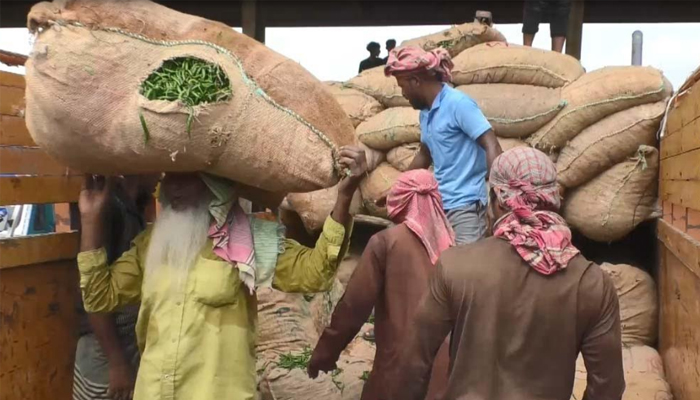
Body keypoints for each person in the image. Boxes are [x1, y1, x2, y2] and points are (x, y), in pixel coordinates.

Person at [77, 146, 367, 400]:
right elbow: (100, 298)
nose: (171, 188)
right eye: (169, 177)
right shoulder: (152, 244)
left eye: (186, 178)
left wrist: (343, 198)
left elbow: (315, 272)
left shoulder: (248, 240)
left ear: (214, 185)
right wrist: (90, 221)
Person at [391, 147, 626, 400]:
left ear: (497, 198)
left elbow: (413, 365)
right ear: (554, 199)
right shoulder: (592, 283)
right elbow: (607, 389)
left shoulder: (454, 266)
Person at [308, 170, 453, 400]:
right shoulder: (453, 247)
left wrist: (325, 353)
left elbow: (355, 306)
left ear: (402, 200)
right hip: (448, 375)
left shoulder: (386, 242)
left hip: (399, 371)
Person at [385, 46, 502, 245]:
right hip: (439, 203)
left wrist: (496, 199)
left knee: (463, 271)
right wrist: (397, 188)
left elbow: (492, 145)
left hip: (466, 207)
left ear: (416, 81)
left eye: (402, 85)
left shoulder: (458, 104)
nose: (403, 93)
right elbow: (425, 153)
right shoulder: (426, 112)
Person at [73, 175, 157, 400]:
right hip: (107, 346)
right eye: (158, 169)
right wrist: (117, 362)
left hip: (124, 342)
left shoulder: (133, 208)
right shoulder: (108, 209)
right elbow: (94, 293)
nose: (160, 177)